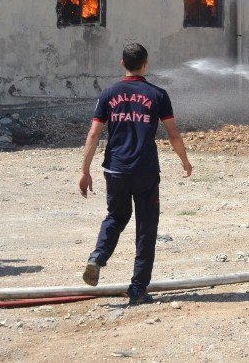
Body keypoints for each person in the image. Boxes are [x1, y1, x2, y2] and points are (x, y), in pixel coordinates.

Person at [79, 43, 192, 306]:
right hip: (145, 171)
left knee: (116, 216)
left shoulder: (108, 93)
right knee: (146, 228)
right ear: (146, 64)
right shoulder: (157, 95)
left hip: (115, 169)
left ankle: (97, 257)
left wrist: (84, 171)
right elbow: (173, 134)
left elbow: (94, 134)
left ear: (122, 64)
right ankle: (138, 289)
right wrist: (185, 161)